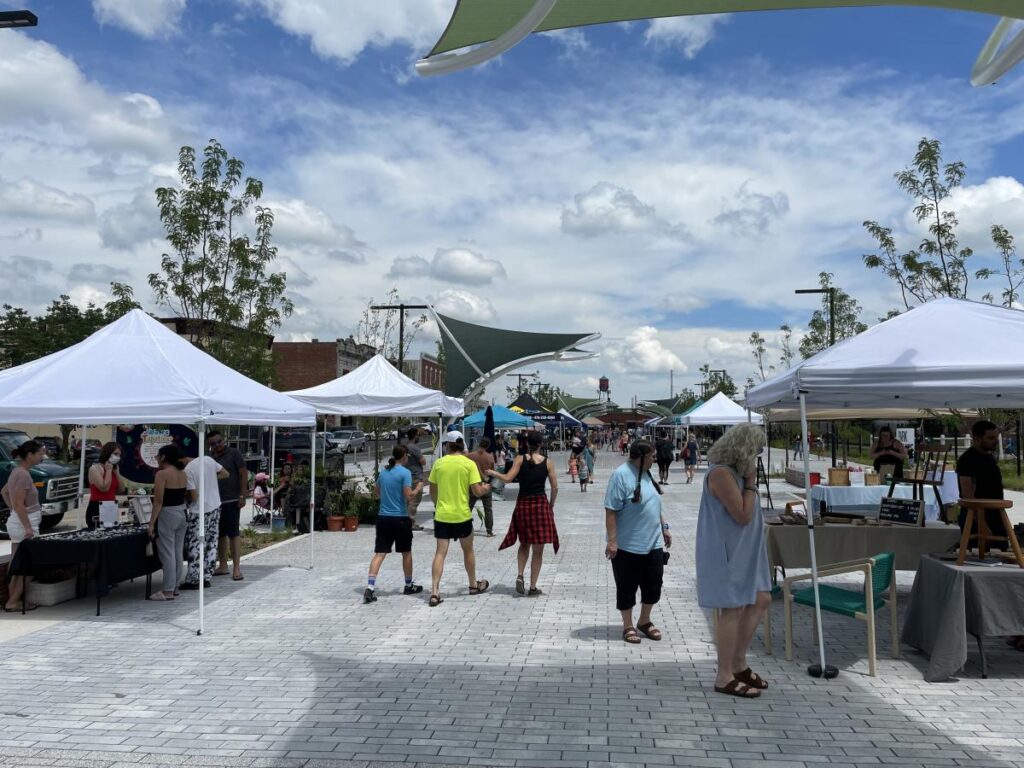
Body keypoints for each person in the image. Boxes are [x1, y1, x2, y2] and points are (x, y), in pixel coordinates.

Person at [696, 424, 772, 698]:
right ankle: (724, 674)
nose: (759, 454)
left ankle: (738, 663)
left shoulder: (734, 471)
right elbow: (742, 514)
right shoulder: (721, 474)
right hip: (728, 551)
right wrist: (751, 484)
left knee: (761, 597)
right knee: (733, 608)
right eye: (756, 449)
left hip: (746, 549)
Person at [604, 439, 670, 644]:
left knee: (653, 585)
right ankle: (628, 625)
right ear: (641, 457)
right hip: (627, 545)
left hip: (653, 543)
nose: (655, 459)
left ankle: (644, 620)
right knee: (627, 586)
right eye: (652, 456)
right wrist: (612, 542)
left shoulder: (647, 474)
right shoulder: (620, 475)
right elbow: (611, 510)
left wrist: (665, 527)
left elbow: (654, 503)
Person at [489, 430, 559, 597]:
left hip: (523, 504)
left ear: (527, 444)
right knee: (539, 548)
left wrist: (493, 473)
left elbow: (507, 478)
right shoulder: (548, 462)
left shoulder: (520, 459)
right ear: (541, 444)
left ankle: (520, 574)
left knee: (524, 543)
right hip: (540, 504)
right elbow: (555, 487)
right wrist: (551, 505)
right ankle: (533, 587)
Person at [427, 431, 490, 606]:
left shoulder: (439, 464)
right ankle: (472, 585)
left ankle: (434, 592)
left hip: (442, 515)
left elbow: (432, 490)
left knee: (440, 553)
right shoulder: (468, 464)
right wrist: (485, 489)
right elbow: (476, 491)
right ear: (462, 445)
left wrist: (437, 504)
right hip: (462, 515)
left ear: (447, 445)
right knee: (468, 551)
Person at [365, 445, 425, 603]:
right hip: (400, 518)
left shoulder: (384, 472)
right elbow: (409, 496)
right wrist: (418, 487)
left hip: (383, 517)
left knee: (380, 553)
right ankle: (408, 584)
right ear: (404, 456)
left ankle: (370, 587)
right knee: (406, 552)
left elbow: (376, 493)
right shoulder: (405, 473)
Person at [2, 440, 46, 611]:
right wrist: (27, 525)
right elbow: (20, 504)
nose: (42, 456)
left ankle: (12, 600)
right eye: (39, 453)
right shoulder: (22, 474)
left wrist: (13, 509)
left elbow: (5, 492)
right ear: (30, 455)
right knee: (28, 564)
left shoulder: (18, 472)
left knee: (17, 563)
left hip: (20, 520)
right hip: (24, 523)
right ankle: (13, 601)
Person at [180, 453, 229, 590]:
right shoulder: (209, 460)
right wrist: (211, 480)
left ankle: (193, 578)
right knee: (211, 542)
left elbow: (194, 497)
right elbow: (225, 473)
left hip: (199, 510)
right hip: (215, 505)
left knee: (195, 544)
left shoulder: (188, 470)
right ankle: (206, 577)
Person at [957, 420, 1008, 545]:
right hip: (977, 519)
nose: (995, 441)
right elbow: (967, 496)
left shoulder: (989, 457)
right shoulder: (967, 460)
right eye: (991, 438)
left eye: (996, 437)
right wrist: (982, 526)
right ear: (977, 438)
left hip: (995, 516)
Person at [149, 445, 190, 601]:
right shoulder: (182, 473)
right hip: (182, 512)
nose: (157, 459)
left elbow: (158, 501)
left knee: (167, 553)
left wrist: (151, 523)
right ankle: (175, 587)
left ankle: (168, 590)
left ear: (164, 457)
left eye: (157, 456)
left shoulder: (162, 474)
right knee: (177, 551)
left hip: (168, 512)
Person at [209, 431, 248, 581]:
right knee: (220, 534)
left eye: (219, 442)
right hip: (216, 500)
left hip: (232, 499)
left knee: (233, 533)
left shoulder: (234, 453)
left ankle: (237, 567)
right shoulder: (210, 457)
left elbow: (243, 473)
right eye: (213, 443)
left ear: (223, 440)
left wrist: (243, 494)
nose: (217, 445)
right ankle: (223, 564)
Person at [85, 442, 122, 530]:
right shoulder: (95, 469)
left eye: (119, 455)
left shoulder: (115, 468)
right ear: (108, 453)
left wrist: (117, 473)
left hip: (111, 507)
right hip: (97, 507)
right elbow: (104, 488)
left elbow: (121, 489)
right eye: (115, 454)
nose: (117, 457)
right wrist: (108, 471)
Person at [467, 438, 496, 536]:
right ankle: (489, 531)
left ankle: (465, 528)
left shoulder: (470, 456)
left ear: (479, 444)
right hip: (486, 485)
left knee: (468, 507)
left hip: (473, 485)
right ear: (487, 446)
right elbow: (492, 472)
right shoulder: (490, 457)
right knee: (488, 509)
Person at [403, 427, 427, 531]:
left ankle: (407, 521)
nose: (419, 437)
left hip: (407, 476)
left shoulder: (404, 446)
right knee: (414, 501)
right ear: (415, 436)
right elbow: (423, 461)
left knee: (408, 500)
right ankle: (410, 523)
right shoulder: (414, 448)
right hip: (416, 477)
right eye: (418, 435)